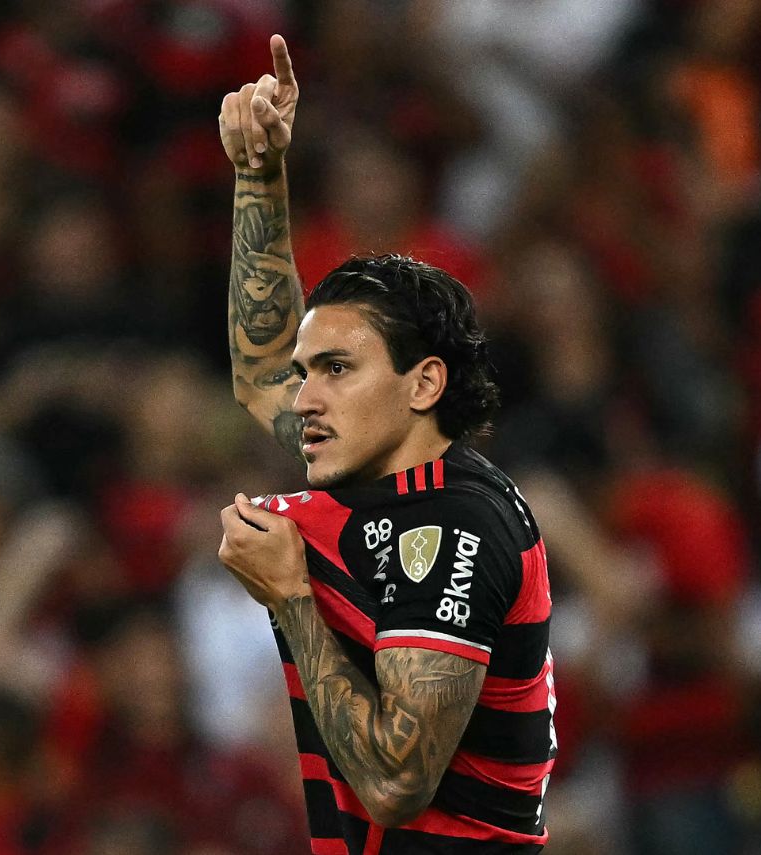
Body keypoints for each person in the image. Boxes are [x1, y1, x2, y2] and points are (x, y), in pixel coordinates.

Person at [216, 36, 556, 853]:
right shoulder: (368, 483)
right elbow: (260, 369)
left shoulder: (458, 526)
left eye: (336, 368)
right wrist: (260, 176)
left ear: (423, 384)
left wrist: (293, 600)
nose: (303, 396)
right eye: (309, 370)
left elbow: (396, 784)